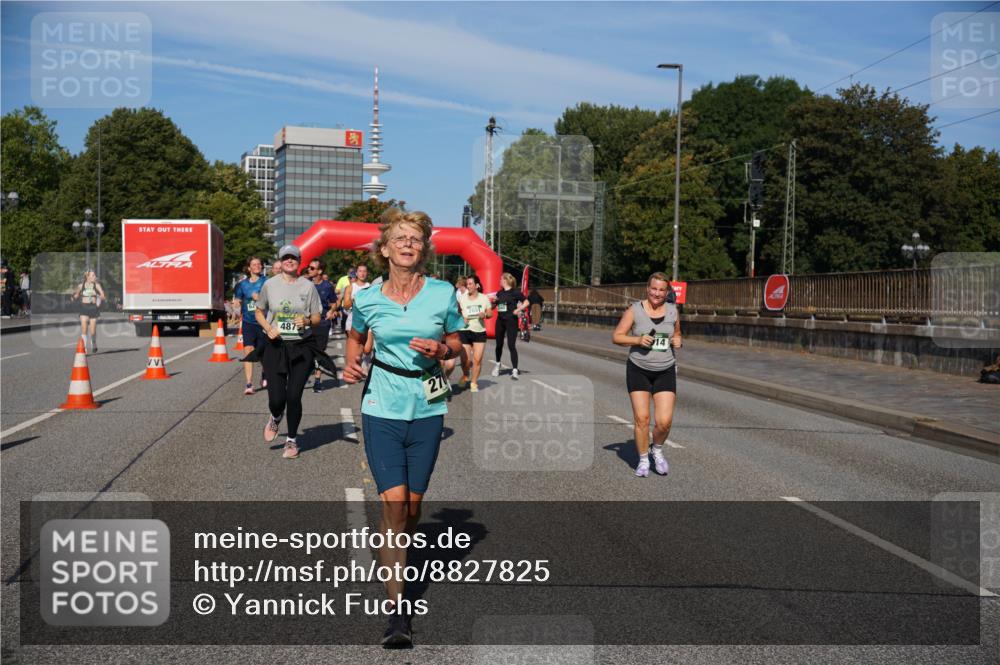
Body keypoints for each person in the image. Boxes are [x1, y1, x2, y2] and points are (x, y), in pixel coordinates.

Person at [342, 208, 463, 648]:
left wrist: (442, 348)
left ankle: (395, 547)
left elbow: (457, 342)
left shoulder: (442, 292)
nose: (408, 245)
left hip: (428, 405)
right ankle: (397, 613)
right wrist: (352, 361)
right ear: (385, 249)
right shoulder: (368, 299)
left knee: (412, 508)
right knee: (394, 504)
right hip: (381, 405)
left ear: (424, 249)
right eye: (400, 238)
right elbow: (356, 337)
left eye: (415, 239)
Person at [254, 245, 322, 459]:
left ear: (299, 261)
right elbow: (259, 311)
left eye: (293, 257)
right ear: (281, 261)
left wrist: (307, 320)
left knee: (294, 395)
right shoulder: (270, 285)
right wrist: (268, 328)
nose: (289, 261)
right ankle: (275, 416)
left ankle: (291, 440)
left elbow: (317, 317)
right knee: (277, 398)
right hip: (275, 346)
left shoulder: (308, 286)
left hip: (301, 346)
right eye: (286, 258)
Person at [611, 272, 681, 478]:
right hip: (638, 369)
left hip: (665, 370)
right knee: (642, 419)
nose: (657, 293)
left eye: (661, 290)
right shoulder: (635, 310)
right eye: (653, 289)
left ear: (667, 292)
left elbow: (677, 333)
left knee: (664, 422)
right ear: (647, 289)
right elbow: (616, 336)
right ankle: (643, 459)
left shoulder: (673, 311)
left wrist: (678, 340)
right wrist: (637, 340)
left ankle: (656, 450)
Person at [233, 257, 267, 395]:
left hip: (264, 321)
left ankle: (265, 374)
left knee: (263, 353)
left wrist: (259, 298)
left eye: (259, 264)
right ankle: (249, 383)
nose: (257, 266)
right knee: (248, 350)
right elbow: (238, 301)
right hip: (248, 322)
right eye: (254, 264)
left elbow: (273, 299)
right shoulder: (242, 285)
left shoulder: (267, 282)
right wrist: (236, 306)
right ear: (249, 268)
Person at [306, 258, 338, 391]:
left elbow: (334, 302)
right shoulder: (304, 284)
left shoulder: (327, 286)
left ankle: (317, 381)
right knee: (305, 352)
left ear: (320, 271)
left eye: (312, 268)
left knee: (319, 352)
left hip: (322, 323)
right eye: (309, 267)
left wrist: (331, 311)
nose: (309, 269)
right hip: (306, 323)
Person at [457, 274, 492, 391]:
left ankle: (474, 382)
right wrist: (462, 317)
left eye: (470, 284)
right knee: (465, 360)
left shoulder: (484, 298)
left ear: (477, 285)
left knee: (477, 359)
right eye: (467, 284)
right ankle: (466, 375)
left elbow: (490, 313)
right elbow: (457, 312)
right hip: (464, 330)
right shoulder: (462, 298)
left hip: (479, 331)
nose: (468, 286)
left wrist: (485, 315)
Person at [491, 273, 529, 379]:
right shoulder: (500, 293)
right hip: (500, 321)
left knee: (511, 345)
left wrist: (517, 309)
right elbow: (493, 307)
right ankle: (497, 365)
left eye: (500, 279)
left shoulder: (515, 292)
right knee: (499, 345)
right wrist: (494, 302)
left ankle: (515, 370)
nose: (499, 281)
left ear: (505, 280)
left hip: (511, 321)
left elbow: (527, 302)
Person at [71, 270, 106, 353]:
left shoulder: (96, 285)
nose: (95, 277)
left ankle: (93, 343)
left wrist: (101, 297)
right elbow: (76, 294)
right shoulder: (81, 286)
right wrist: (74, 297)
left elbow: (102, 295)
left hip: (93, 308)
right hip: (84, 308)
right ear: (88, 277)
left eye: (95, 275)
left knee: (93, 331)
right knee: (84, 329)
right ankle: (84, 348)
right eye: (93, 275)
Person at [335, 269, 354, 334]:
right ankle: (344, 330)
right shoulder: (346, 287)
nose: (351, 279)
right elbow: (339, 298)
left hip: (358, 310)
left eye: (353, 277)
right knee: (345, 322)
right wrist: (334, 309)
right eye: (350, 278)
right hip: (346, 308)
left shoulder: (364, 286)